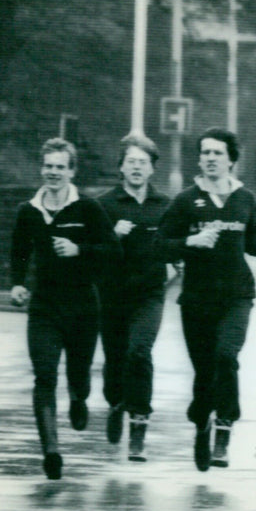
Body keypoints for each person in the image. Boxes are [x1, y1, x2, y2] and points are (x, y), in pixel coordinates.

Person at [154, 127, 256, 472]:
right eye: (205, 152)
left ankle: (224, 425)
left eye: (217, 153)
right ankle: (201, 422)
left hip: (237, 295)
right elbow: (159, 244)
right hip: (196, 299)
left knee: (226, 356)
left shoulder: (245, 198)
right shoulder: (185, 200)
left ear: (231, 160)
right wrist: (190, 243)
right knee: (205, 370)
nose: (209, 158)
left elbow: (252, 238)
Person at [10, 137, 121, 480]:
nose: (53, 172)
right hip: (44, 305)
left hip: (83, 305)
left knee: (79, 373)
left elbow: (113, 252)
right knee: (44, 374)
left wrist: (79, 250)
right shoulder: (28, 211)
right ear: (41, 169)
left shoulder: (88, 209)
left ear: (72, 171)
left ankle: (78, 397)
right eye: (48, 166)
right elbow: (18, 253)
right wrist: (17, 284)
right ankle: (51, 450)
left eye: (60, 167)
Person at [96, 134, 172, 462]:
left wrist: (176, 267)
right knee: (115, 361)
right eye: (131, 162)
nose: (137, 168)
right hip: (112, 295)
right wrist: (113, 235)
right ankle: (116, 403)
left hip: (150, 294)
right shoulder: (104, 204)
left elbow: (176, 243)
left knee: (139, 352)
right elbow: (92, 250)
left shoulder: (165, 205)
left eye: (143, 162)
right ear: (121, 167)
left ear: (153, 169)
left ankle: (139, 426)